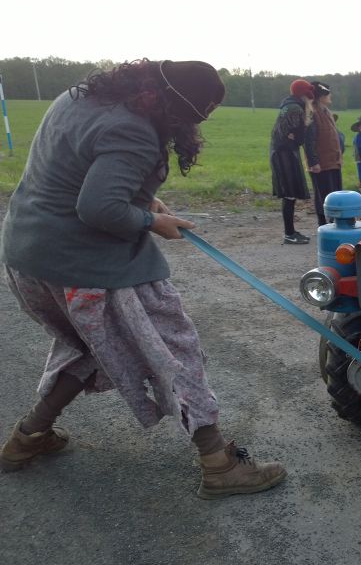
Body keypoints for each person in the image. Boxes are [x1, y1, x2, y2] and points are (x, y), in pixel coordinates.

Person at [0, 60, 286, 498]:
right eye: (194, 118)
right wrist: (152, 223)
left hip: (28, 257)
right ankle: (219, 464)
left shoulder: (79, 98)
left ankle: (27, 437)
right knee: (174, 349)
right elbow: (98, 208)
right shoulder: (133, 129)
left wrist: (141, 199)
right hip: (86, 268)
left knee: (93, 345)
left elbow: (76, 171)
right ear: (175, 107)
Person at [271, 79, 315, 244]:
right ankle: (289, 234)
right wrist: (295, 137)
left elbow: (294, 134)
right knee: (289, 194)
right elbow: (297, 136)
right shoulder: (295, 108)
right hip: (285, 154)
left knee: (290, 194)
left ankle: (290, 231)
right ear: (303, 94)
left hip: (284, 152)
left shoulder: (290, 106)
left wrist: (294, 137)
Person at [304, 81, 343, 226]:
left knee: (335, 194)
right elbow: (309, 140)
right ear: (321, 96)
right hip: (321, 164)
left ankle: (335, 221)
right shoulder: (312, 113)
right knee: (323, 195)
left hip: (333, 161)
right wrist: (313, 162)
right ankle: (323, 223)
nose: (330, 96)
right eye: (327, 94)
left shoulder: (326, 111)